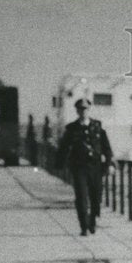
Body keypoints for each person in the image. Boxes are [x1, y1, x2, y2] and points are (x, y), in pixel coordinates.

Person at [55, 98, 113, 236]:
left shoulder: (97, 127)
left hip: (96, 167)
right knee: (81, 197)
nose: (83, 111)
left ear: (89, 110)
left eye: (85, 109)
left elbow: (106, 148)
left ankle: (92, 220)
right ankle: (84, 226)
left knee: (96, 197)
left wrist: (109, 163)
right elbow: (64, 148)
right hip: (79, 167)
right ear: (77, 110)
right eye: (80, 109)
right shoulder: (71, 128)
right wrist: (59, 165)